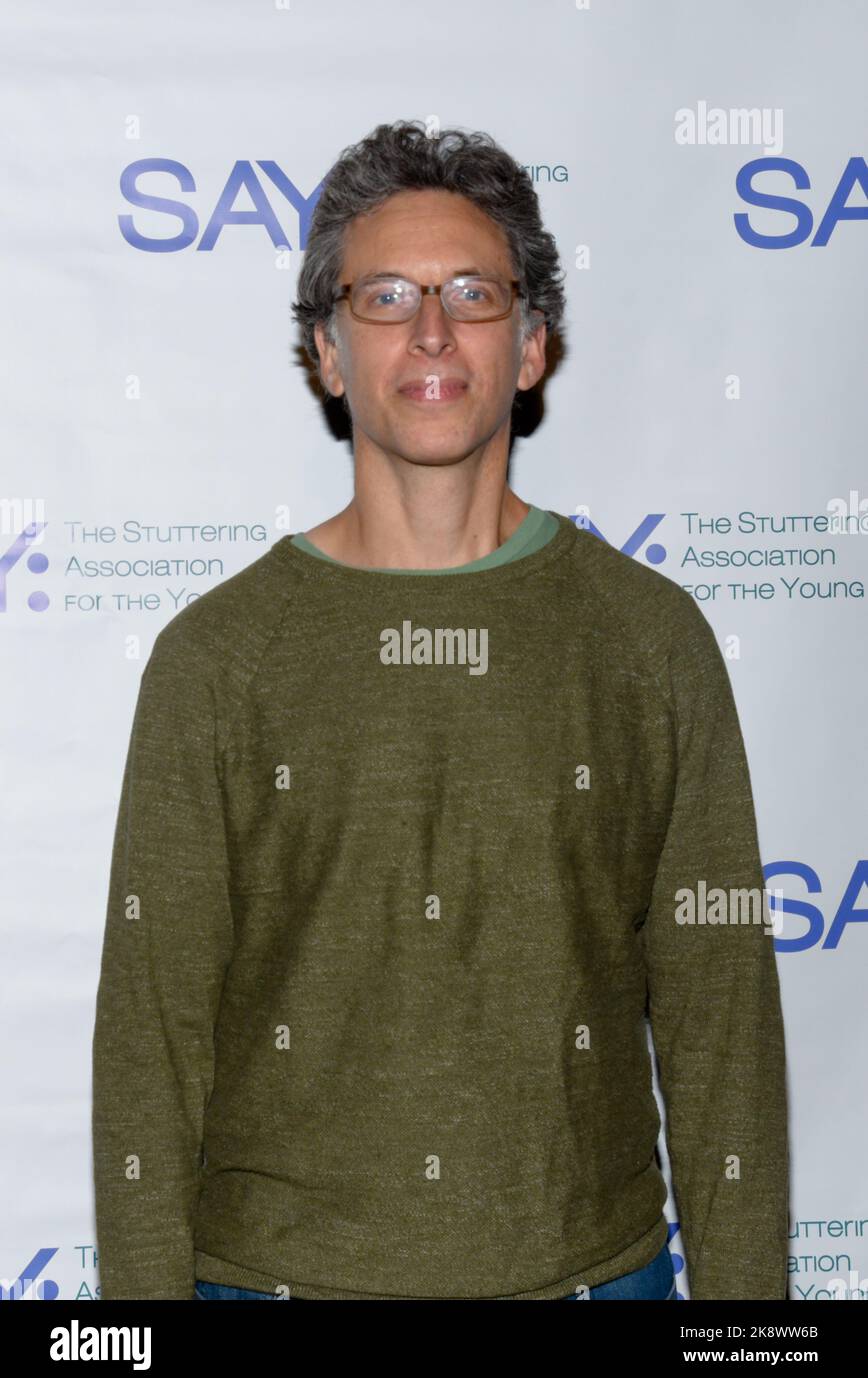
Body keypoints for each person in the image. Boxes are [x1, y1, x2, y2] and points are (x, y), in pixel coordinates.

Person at [91, 119, 789, 1301]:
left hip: (595, 1282)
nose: (429, 330)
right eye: (384, 297)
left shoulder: (647, 640)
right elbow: (150, 1051)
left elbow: (722, 1024)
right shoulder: (215, 663)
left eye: (471, 292)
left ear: (529, 346)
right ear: (326, 351)